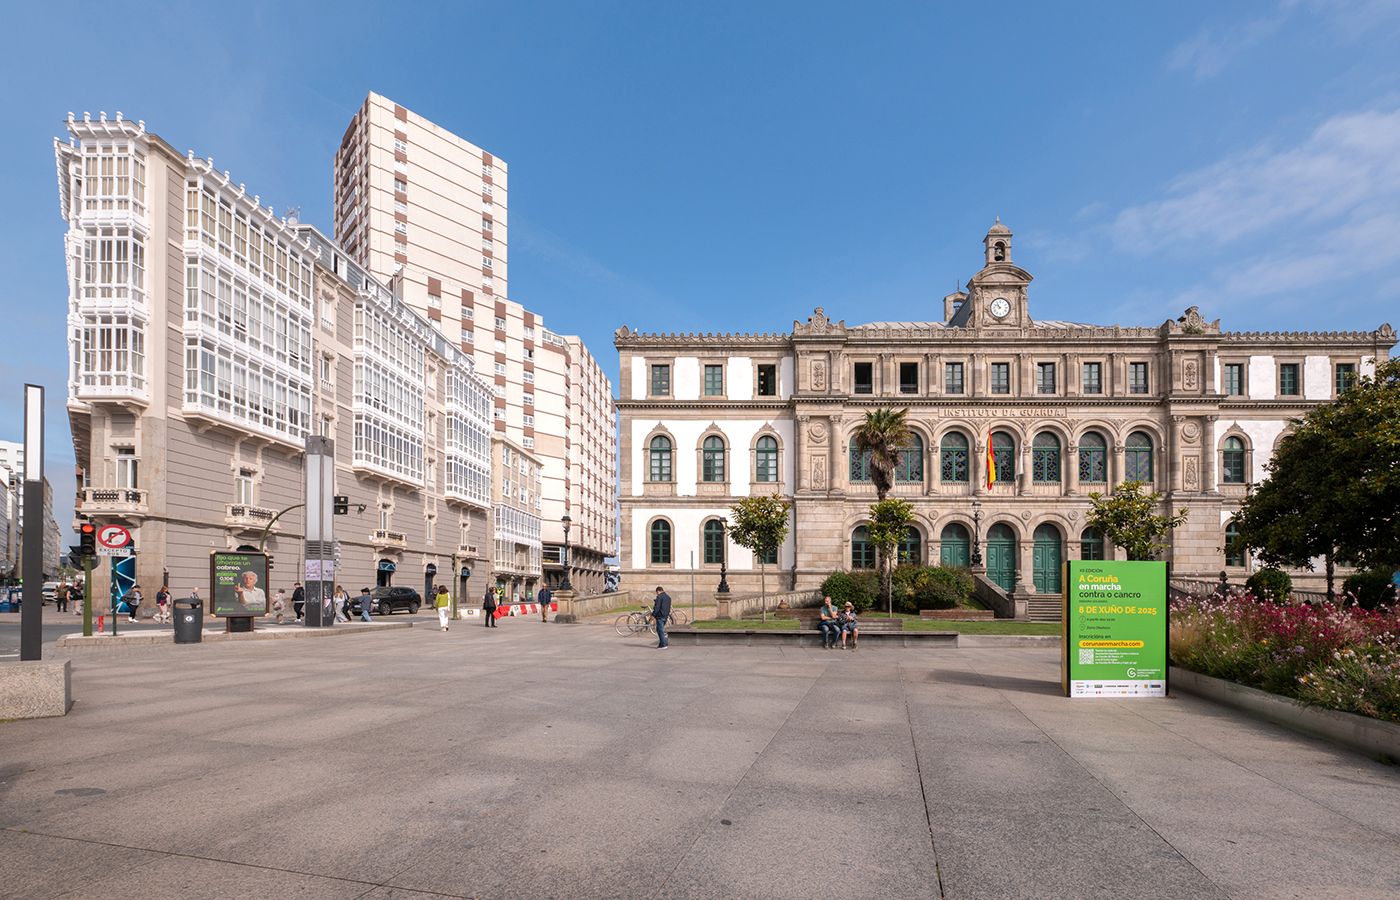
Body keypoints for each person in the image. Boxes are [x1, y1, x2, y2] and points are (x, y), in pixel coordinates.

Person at [652, 586, 672, 650]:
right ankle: (661, 644)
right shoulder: (668, 597)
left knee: (660, 631)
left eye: (657, 593)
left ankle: (663, 645)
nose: (657, 594)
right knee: (659, 630)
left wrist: (653, 615)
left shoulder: (659, 597)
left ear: (658, 591)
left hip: (660, 616)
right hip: (665, 616)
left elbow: (657, 608)